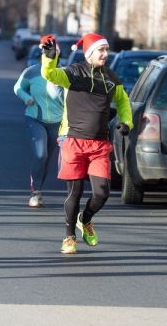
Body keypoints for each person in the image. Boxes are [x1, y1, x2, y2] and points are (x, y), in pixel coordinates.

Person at [39, 33, 133, 254]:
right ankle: (69, 238)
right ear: (89, 52)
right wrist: (50, 58)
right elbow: (49, 74)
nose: (105, 54)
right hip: (73, 141)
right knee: (75, 193)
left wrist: (126, 122)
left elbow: (122, 102)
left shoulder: (111, 78)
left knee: (102, 193)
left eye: (107, 50)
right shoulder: (73, 73)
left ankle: (85, 218)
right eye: (101, 50)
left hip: (99, 145)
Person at [14, 58, 64, 207]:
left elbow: (69, 99)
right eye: (47, 52)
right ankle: (35, 193)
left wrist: (58, 88)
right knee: (40, 154)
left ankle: (39, 190)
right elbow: (17, 87)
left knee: (47, 159)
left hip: (57, 121)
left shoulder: (63, 73)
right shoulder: (32, 71)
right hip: (35, 118)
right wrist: (26, 97)